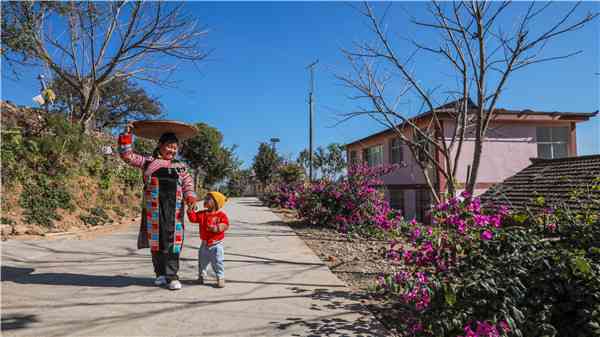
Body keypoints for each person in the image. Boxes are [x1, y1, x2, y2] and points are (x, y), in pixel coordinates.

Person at [118, 123, 197, 290]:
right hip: (153, 209)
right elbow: (127, 156)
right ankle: (160, 274)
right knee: (156, 242)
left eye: (175, 148)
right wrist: (126, 136)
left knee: (173, 243)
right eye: (169, 146)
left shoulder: (180, 167)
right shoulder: (148, 162)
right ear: (160, 146)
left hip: (174, 211)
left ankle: (172, 276)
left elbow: (188, 184)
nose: (172, 150)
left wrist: (190, 197)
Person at [187, 191, 229, 288]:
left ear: (215, 203)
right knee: (202, 262)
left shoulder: (221, 215)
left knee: (218, 262)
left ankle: (220, 277)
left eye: (208, 199)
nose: (205, 200)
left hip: (216, 245)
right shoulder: (202, 214)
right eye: (205, 198)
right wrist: (190, 210)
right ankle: (201, 276)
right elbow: (193, 219)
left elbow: (225, 224)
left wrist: (217, 228)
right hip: (204, 244)